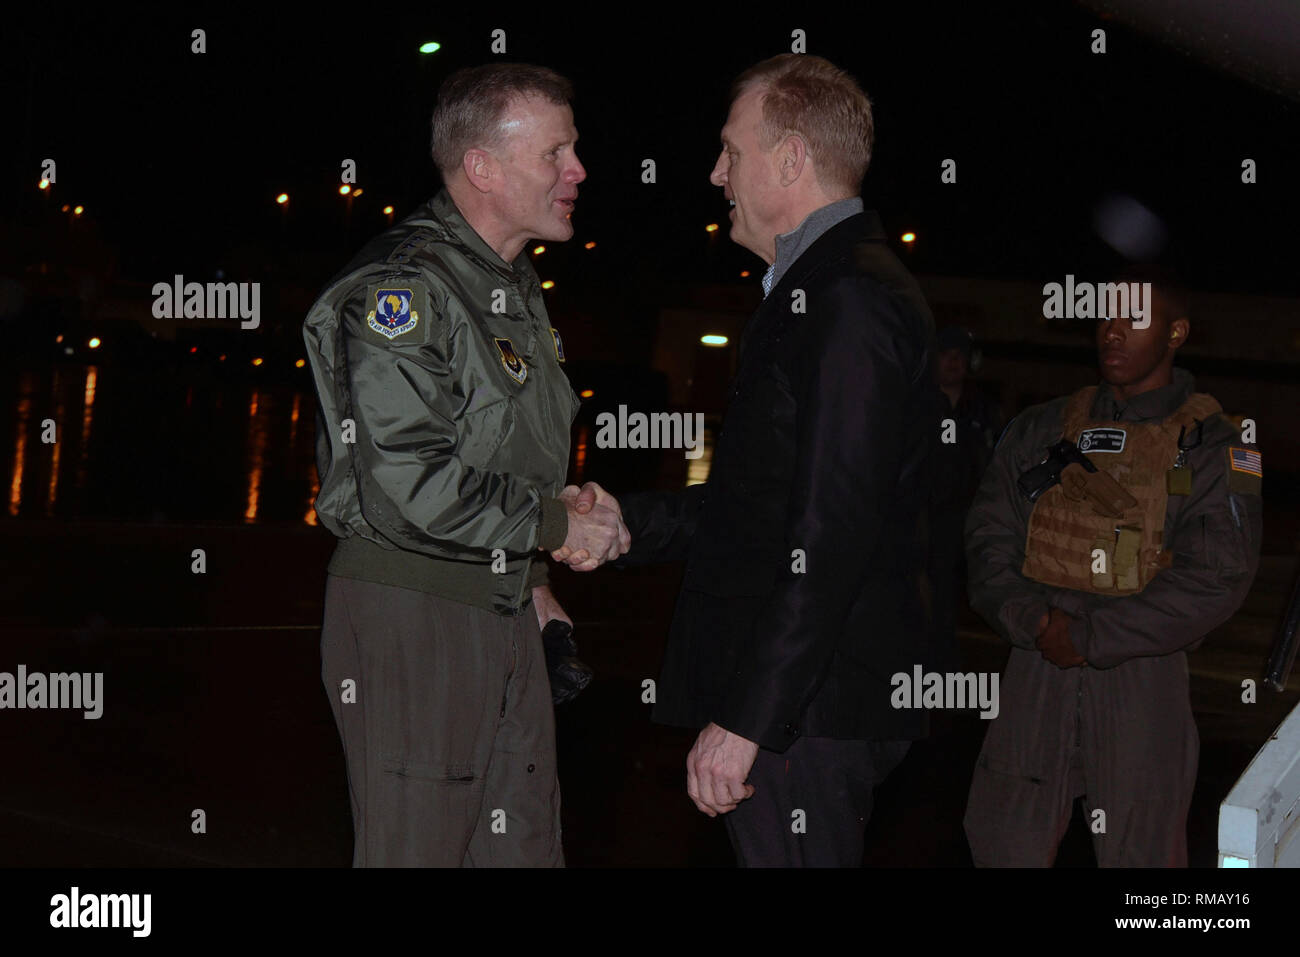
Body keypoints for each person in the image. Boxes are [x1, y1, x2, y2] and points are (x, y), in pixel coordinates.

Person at [563, 54, 940, 867]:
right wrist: (630, 518)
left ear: (792, 159)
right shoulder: (817, 289)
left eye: (730, 152)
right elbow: (762, 503)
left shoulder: (850, 300)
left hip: (809, 709)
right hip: (806, 705)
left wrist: (750, 719)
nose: (714, 173)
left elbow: (832, 532)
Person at [302, 63, 628, 867]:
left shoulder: (505, 284)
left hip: (503, 605)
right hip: (418, 612)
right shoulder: (405, 285)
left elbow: (498, 453)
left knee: (522, 849)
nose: (577, 170)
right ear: (483, 166)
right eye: (556, 152)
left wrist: (538, 574)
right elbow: (409, 479)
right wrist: (556, 524)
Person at [963, 282, 1263, 867]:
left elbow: (1219, 576)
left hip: (1142, 680)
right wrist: (1034, 619)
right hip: (1036, 667)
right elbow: (986, 538)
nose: (1112, 330)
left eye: (1135, 318)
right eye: (1104, 316)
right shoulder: (1038, 427)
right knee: (1003, 843)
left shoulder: (1224, 447)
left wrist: (1091, 637)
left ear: (1176, 333)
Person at [929, 325, 1003, 664]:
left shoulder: (983, 410)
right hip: (919, 518)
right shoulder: (915, 405)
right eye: (946, 353)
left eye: (960, 355)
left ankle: (942, 664)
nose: (954, 361)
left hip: (966, 518)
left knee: (953, 595)